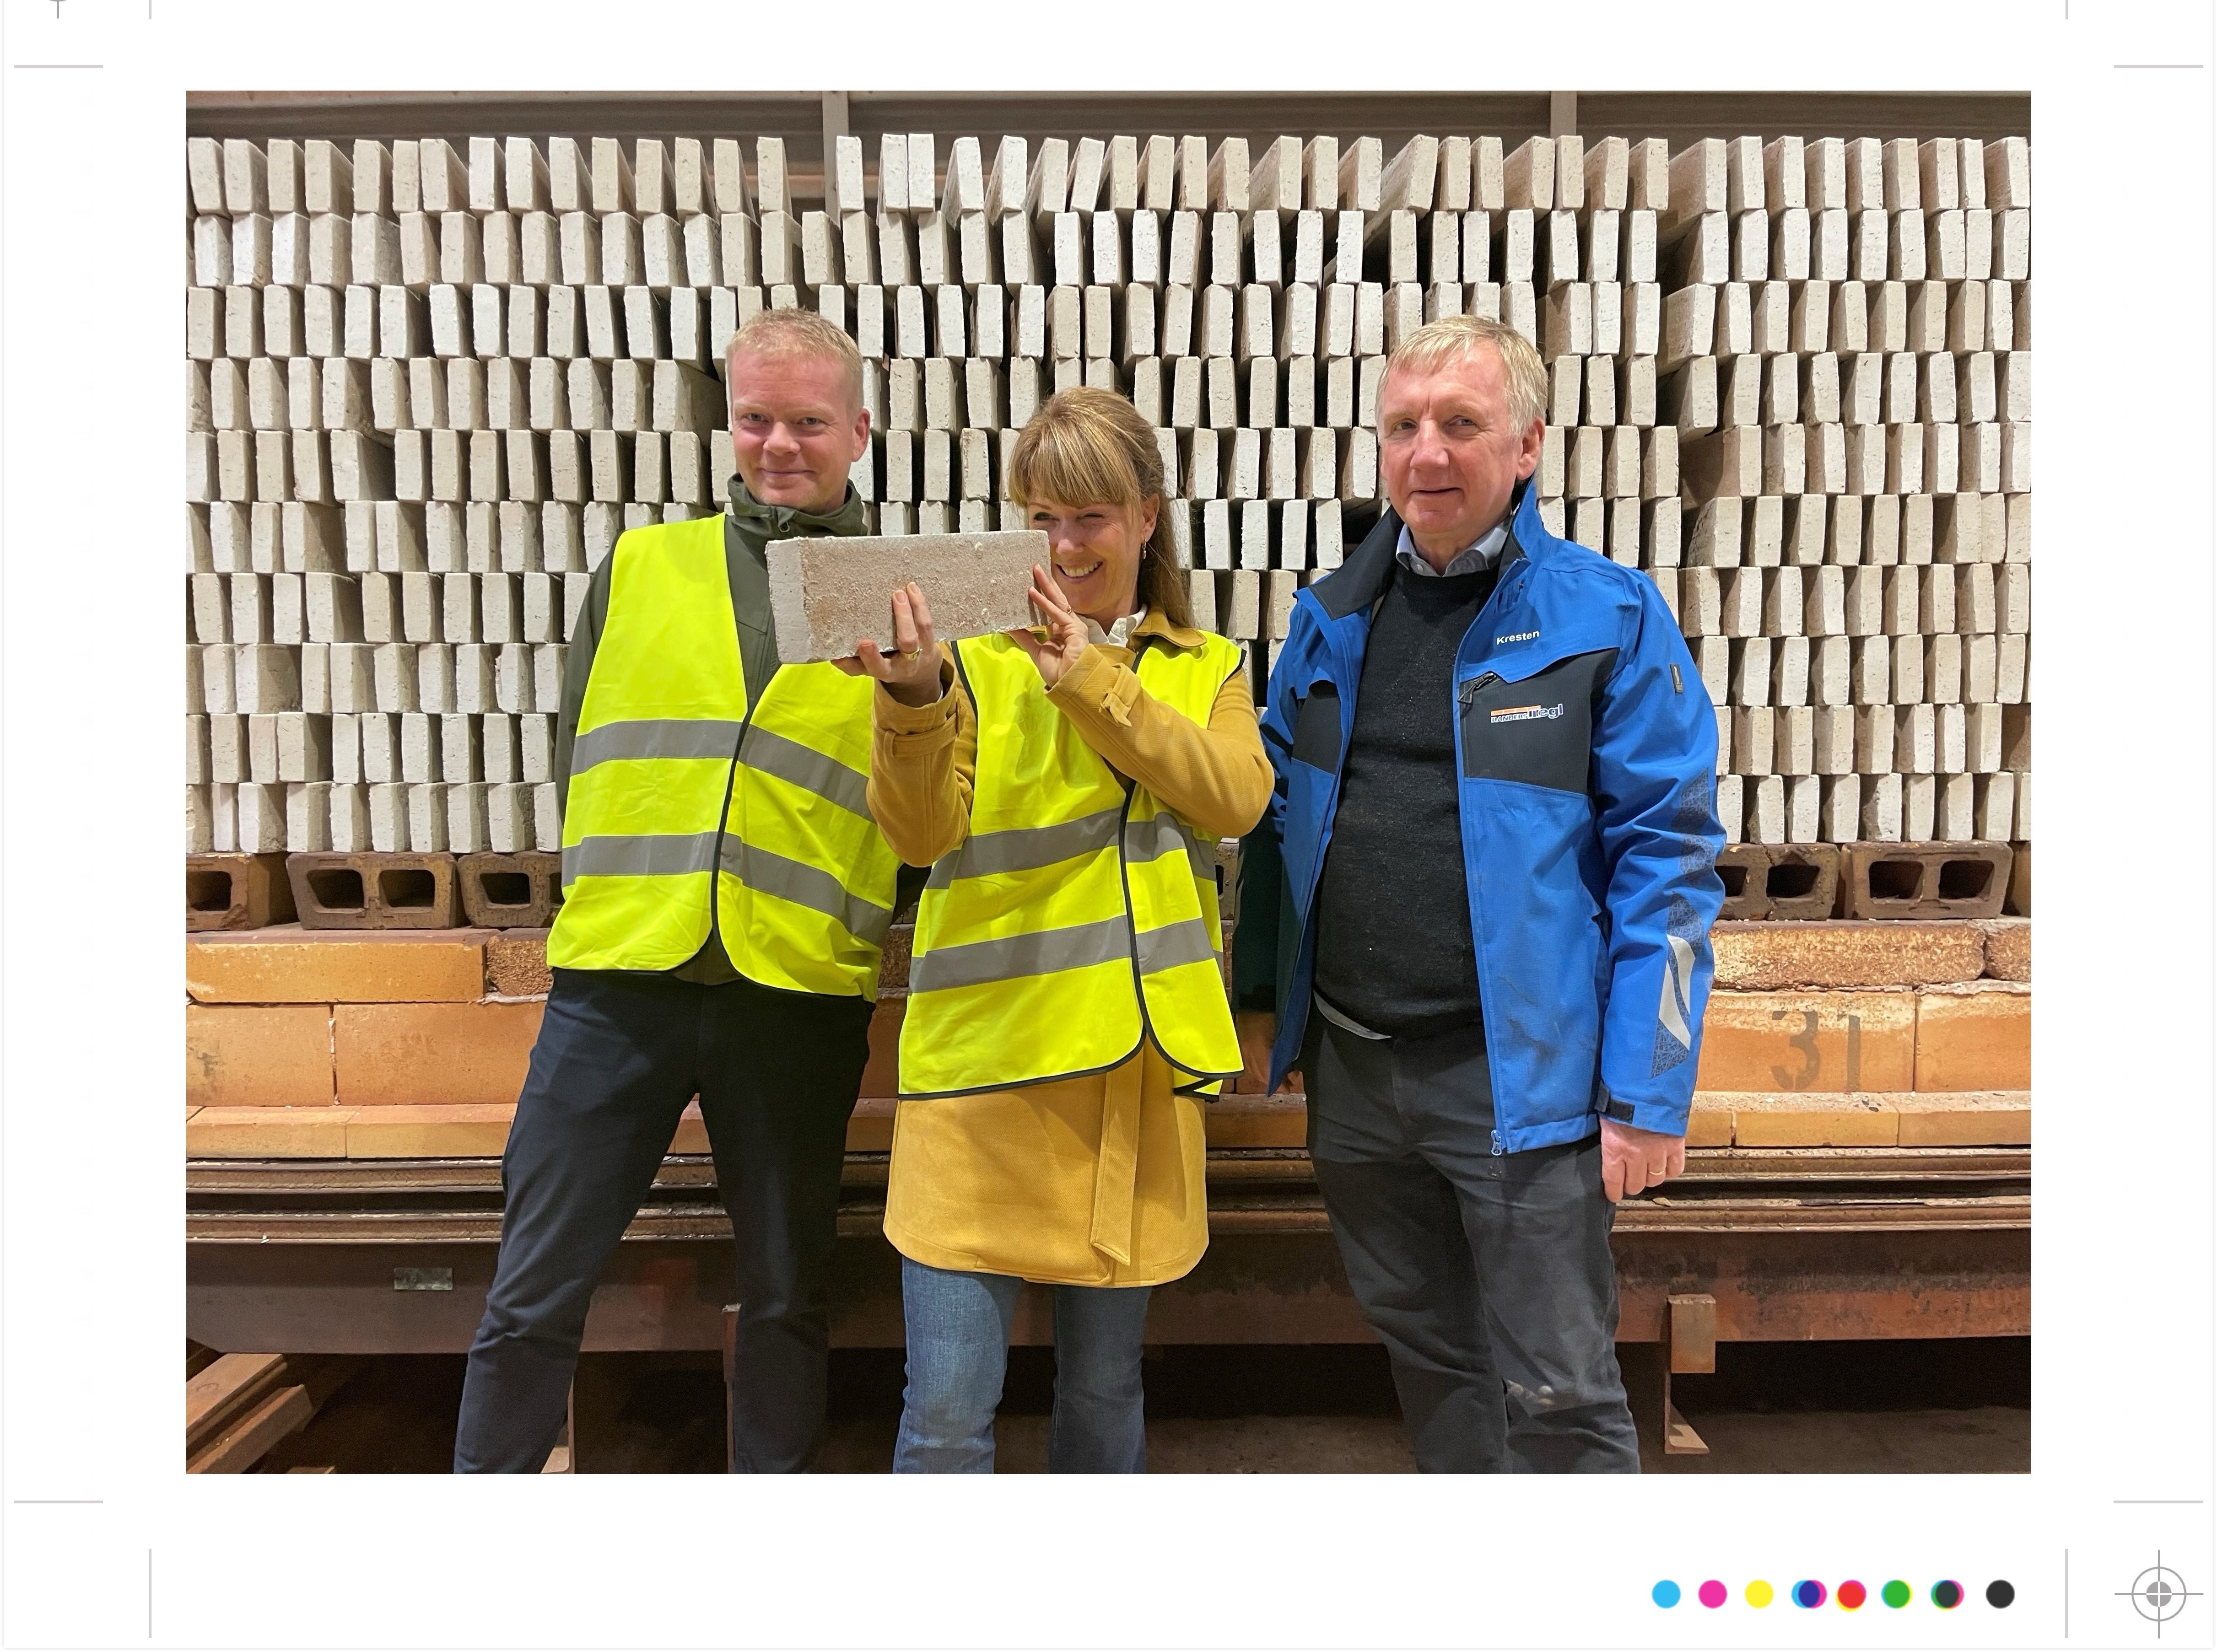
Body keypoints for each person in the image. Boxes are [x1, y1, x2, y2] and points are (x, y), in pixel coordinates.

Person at [1254, 313, 1725, 1473]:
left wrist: (1645, 1092)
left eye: (1461, 425)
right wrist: (1271, 1009)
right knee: (1429, 1354)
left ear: (1524, 446)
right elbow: (1271, 824)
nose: (1428, 454)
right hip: (1358, 1079)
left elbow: (1666, 859)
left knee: (1558, 1388)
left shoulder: (1602, 617)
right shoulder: (1327, 622)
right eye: (1404, 426)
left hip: (1519, 1082)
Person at [454, 309, 897, 1473]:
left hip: (794, 990)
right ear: (728, 424)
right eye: (754, 418)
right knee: (532, 1284)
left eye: (807, 420)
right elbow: (576, 750)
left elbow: (926, 791)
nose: (778, 444)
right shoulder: (643, 565)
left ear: (860, 427)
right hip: (622, 979)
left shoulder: (901, 594)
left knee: (789, 1290)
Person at [848, 386, 1271, 1473]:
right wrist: (905, 704)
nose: (1062, 543)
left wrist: (1087, 674)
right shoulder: (972, 665)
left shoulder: (1205, 667)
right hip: (981, 1085)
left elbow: (1232, 798)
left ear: (1145, 516)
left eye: (1087, 515)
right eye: (1038, 515)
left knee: (1101, 1393)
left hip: (1126, 1088)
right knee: (943, 1413)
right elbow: (916, 831)